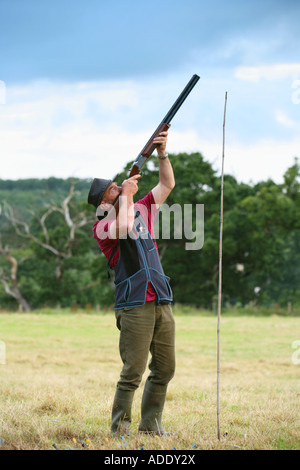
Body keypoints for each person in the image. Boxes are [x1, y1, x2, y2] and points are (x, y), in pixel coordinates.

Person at [88, 130, 176, 436]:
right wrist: (126, 193)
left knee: (165, 368)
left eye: (117, 186)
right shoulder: (103, 227)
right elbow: (124, 225)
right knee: (133, 373)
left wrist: (162, 153)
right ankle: (120, 432)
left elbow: (167, 184)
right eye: (112, 189)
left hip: (160, 298)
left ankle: (151, 427)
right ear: (103, 203)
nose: (119, 188)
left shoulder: (140, 211)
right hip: (134, 304)